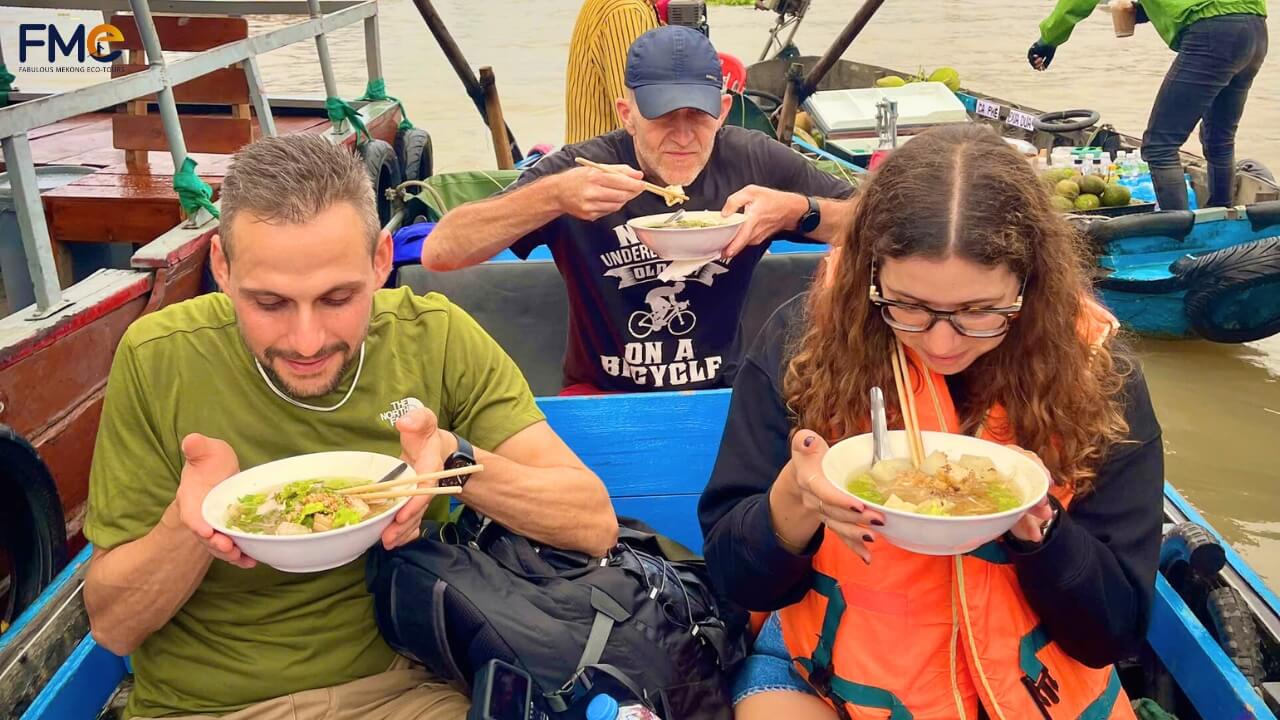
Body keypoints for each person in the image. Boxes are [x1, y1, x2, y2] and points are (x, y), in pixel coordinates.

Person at [82, 134, 618, 720]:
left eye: (338, 298)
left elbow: (591, 523)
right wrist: (190, 523)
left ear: (381, 261)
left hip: (403, 691)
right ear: (222, 268)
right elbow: (113, 626)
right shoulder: (161, 356)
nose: (307, 341)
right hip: (204, 706)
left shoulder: (433, 338)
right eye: (270, 304)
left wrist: (452, 462)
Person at [699, 124, 1163, 719]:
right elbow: (739, 583)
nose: (942, 342)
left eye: (979, 311)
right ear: (870, 276)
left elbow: (1115, 635)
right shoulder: (804, 346)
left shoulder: (1098, 376)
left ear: (1030, 285)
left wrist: (1039, 530)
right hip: (825, 670)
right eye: (909, 305)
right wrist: (795, 500)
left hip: (1028, 678)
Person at [425, 26, 857, 395]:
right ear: (627, 114)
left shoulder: (754, 162)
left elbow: (879, 222)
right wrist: (552, 196)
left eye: (699, 115)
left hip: (724, 384)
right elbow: (441, 251)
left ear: (723, 111)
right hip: (597, 389)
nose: (683, 135)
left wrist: (799, 211)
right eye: (663, 116)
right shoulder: (581, 170)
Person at [1028, 0, 1268, 209]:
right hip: (1255, 31)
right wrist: (1145, 10)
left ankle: (1179, 237)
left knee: (1159, 147)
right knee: (1219, 138)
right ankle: (1222, 216)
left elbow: (1077, 3)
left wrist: (1048, 39)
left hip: (1213, 34)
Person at [565, 0, 661, 145]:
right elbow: (636, 125)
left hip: (595, 158)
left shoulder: (635, 7)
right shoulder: (626, 11)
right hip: (606, 163)